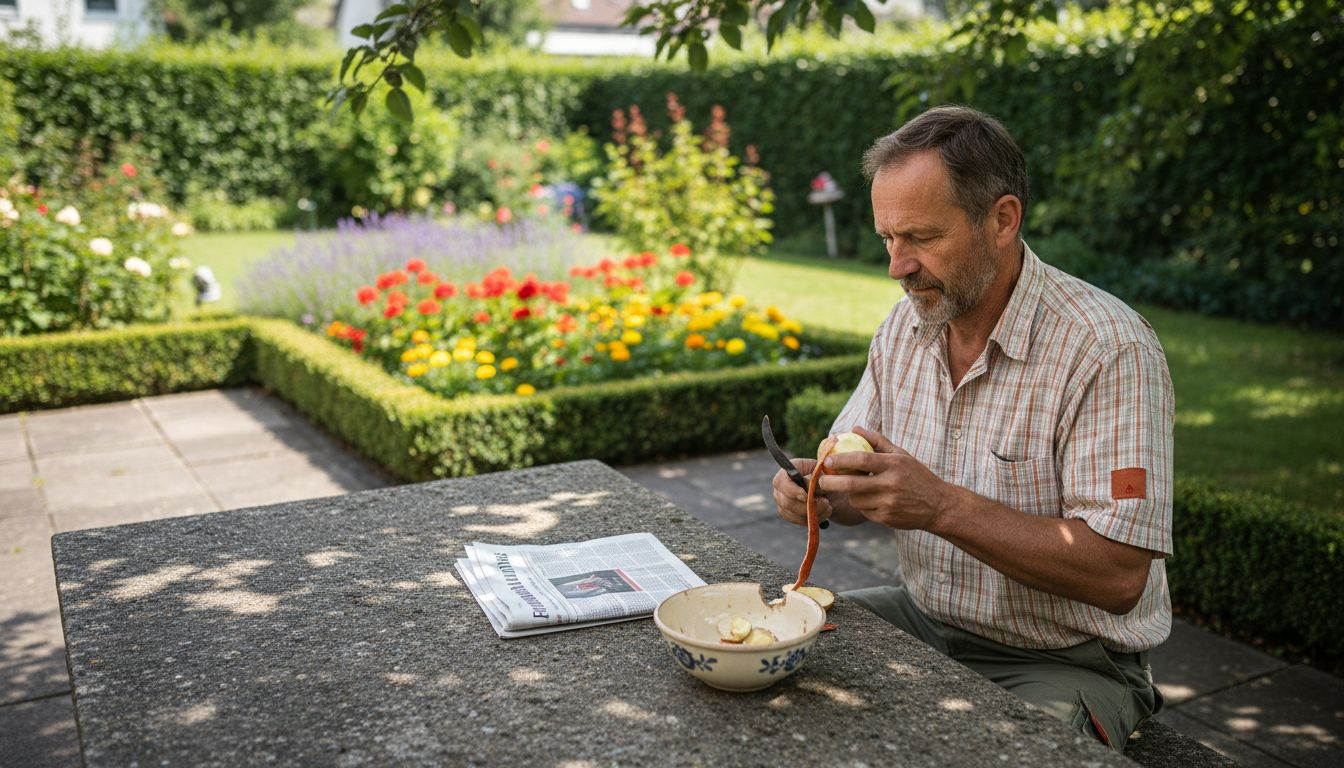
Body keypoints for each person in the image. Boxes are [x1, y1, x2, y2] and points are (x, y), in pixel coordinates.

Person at [772, 105, 1173, 752]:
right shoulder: (904, 328)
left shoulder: (1107, 349)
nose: (897, 266)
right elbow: (856, 481)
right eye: (888, 240)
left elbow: (1119, 576)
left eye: (922, 239)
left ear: (1002, 220)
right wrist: (820, 492)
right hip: (922, 618)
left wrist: (940, 507)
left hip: (1067, 660)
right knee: (767, 650)